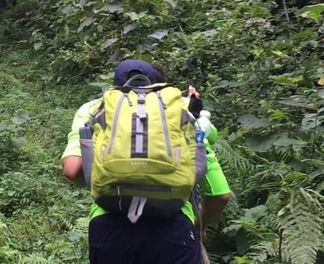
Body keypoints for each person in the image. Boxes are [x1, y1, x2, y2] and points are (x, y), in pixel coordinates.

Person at [61, 59, 231, 264]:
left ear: (114, 86)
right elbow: (220, 195)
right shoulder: (183, 115)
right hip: (173, 228)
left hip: (109, 225)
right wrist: (200, 226)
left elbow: (72, 170)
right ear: (158, 87)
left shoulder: (95, 109)